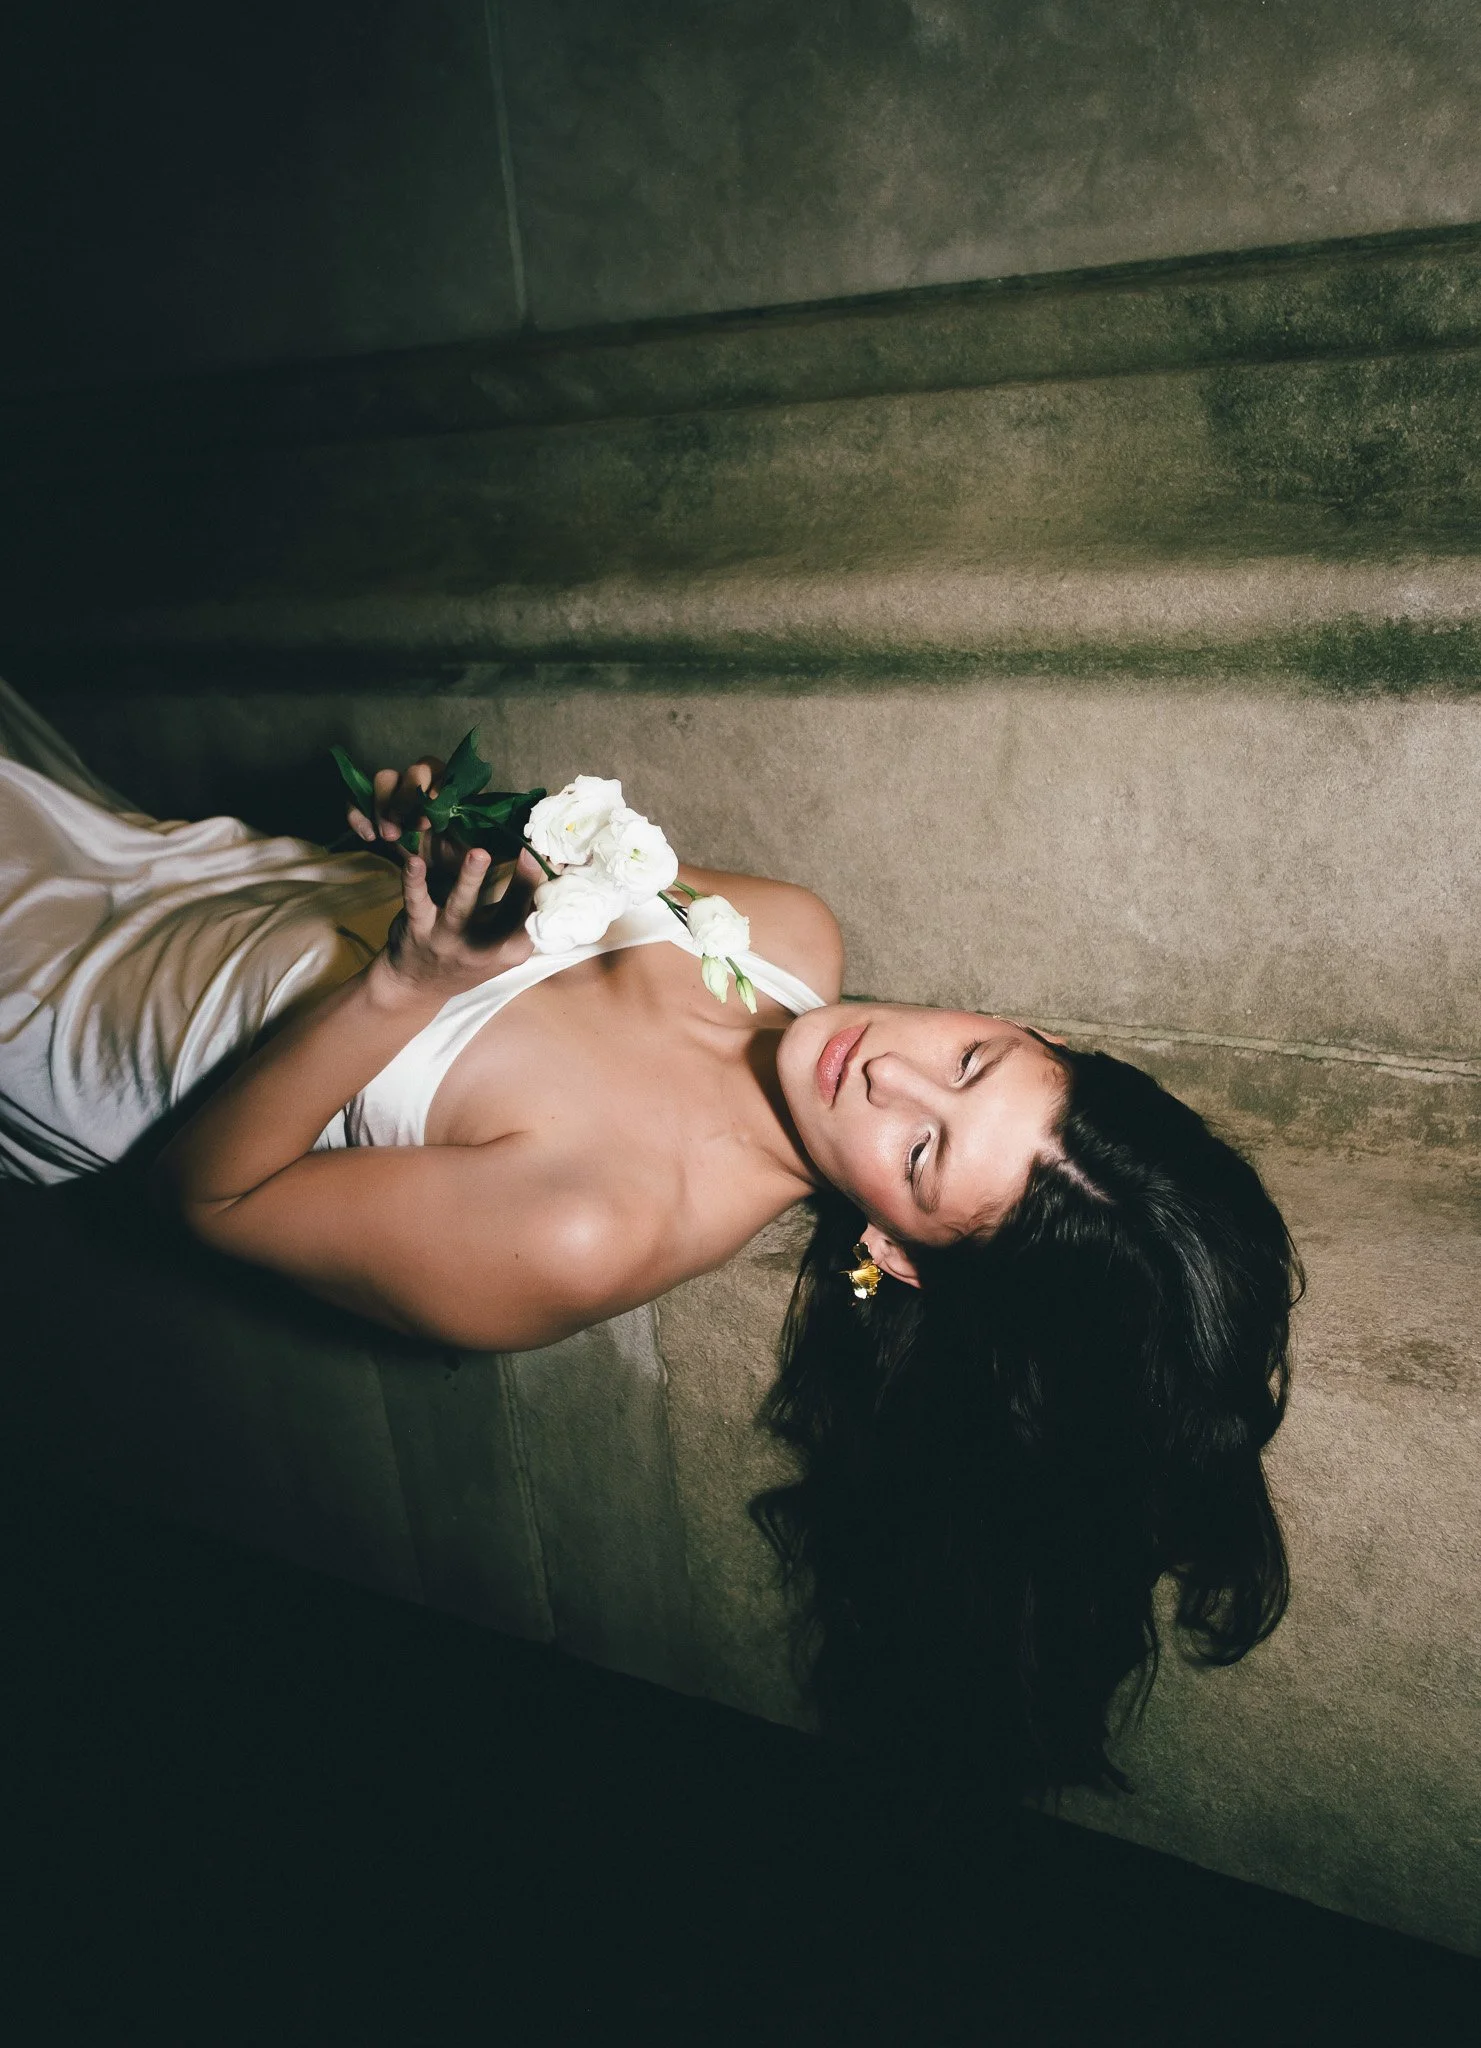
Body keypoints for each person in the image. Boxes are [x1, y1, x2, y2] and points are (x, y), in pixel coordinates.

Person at [0, 678, 1299, 1798]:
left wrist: (404, 987)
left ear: (900, 1255)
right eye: (973, 1057)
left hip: (88, 1027)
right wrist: (426, 843)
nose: (887, 1074)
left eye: (921, 1153)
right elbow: (517, 879)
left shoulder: (589, 1233)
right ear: (1032, 1029)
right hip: (175, 874)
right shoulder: (791, 938)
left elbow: (202, 1201)